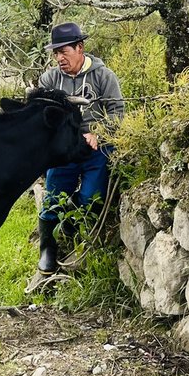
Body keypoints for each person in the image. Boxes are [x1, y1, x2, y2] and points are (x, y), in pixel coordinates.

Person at [35, 23, 125, 274]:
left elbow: (118, 113)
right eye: (55, 53)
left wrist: (98, 132)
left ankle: (76, 230)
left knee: (91, 198)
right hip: (64, 151)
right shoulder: (50, 79)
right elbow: (43, 115)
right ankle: (47, 249)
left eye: (64, 51)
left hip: (95, 150)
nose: (59, 58)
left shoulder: (103, 76)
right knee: (52, 199)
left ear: (80, 48)